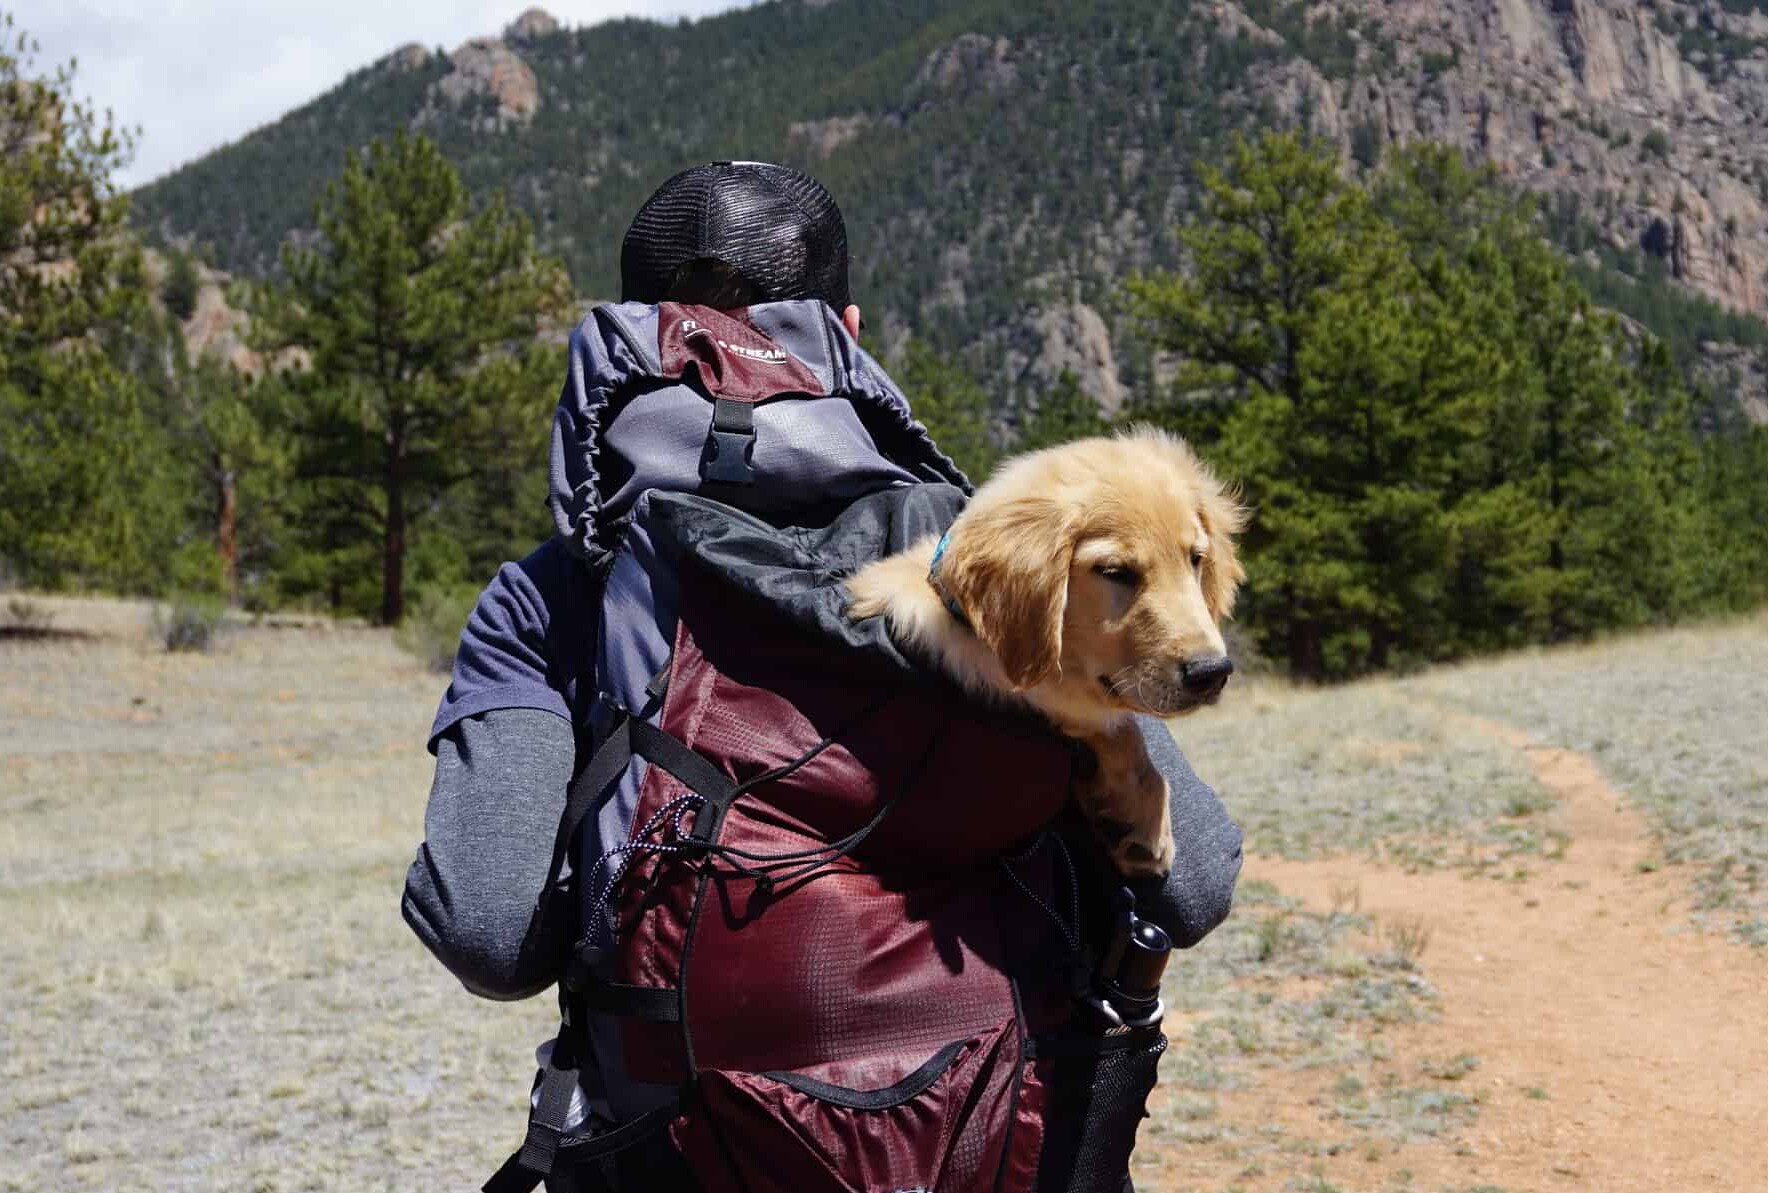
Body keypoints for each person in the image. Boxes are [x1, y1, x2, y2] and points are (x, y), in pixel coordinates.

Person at [401, 160, 1244, 1191]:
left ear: (639, 337)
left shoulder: (553, 593)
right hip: (994, 1140)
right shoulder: (987, 559)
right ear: (846, 327)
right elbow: (1193, 885)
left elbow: (490, 935)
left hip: (682, 1150)